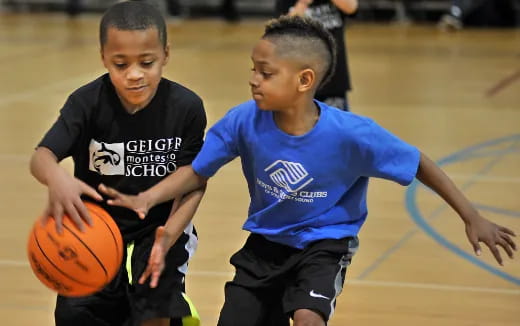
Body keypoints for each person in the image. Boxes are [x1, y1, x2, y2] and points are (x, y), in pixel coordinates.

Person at [98, 15, 517, 326]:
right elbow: (198, 172)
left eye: (265, 73)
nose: (253, 80)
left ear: (304, 80)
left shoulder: (351, 135)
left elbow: (419, 161)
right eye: (253, 68)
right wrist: (148, 198)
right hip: (264, 245)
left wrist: (471, 215)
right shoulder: (242, 121)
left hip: (323, 245)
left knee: (308, 318)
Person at [29, 1, 207, 326]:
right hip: (94, 225)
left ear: (165, 54)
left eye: (147, 62)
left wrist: (169, 236)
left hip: (159, 225)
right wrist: (56, 177)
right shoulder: (85, 103)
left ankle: (171, 311)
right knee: (77, 316)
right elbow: (42, 157)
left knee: (155, 304)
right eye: (120, 64)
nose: (134, 74)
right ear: (104, 58)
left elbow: (194, 182)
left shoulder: (187, 108)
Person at [275, 0, 358, 111]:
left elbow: (352, 8)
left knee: (335, 125)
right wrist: (303, 4)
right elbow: (284, 30)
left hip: (334, 80)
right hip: (301, 80)